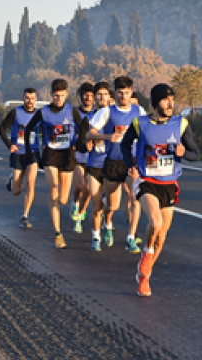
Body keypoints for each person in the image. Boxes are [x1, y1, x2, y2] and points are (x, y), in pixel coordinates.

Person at [122, 84, 200, 297]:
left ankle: (144, 275)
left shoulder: (181, 124)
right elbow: (125, 144)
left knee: (162, 236)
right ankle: (146, 255)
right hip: (146, 181)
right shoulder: (140, 123)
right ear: (156, 102)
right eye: (165, 100)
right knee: (155, 223)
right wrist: (129, 164)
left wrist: (184, 153)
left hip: (169, 184)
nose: (170, 104)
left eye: (172, 99)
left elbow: (196, 154)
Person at [22, 79, 89, 249]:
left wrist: (80, 142)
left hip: (67, 155)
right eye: (56, 96)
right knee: (53, 191)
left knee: (64, 199)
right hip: (51, 154)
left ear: (67, 94)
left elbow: (84, 126)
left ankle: (71, 205)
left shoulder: (72, 111)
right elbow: (29, 128)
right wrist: (30, 150)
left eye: (62, 96)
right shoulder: (44, 112)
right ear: (51, 95)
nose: (59, 99)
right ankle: (58, 234)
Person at [88, 76, 147, 254]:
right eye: (120, 93)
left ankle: (130, 237)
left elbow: (147, 133)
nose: (123, 96)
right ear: (115, 93)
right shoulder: (106, 112)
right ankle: (106, 223)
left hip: (132, 162)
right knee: (112, 206)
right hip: (113, 162)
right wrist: (108, 137)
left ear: (131, 92)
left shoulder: (139, 111)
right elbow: (90, 134)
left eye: (127, 93)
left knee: (135, 198)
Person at [0, 87, 41, 229]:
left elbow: (47, 131)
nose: (30, 101)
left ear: (36, 99)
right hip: (17, 153)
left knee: (31, 182)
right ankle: (12, 180)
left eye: (32, 98)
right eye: (27, 98)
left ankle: (25, 216)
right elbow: (2, 128)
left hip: (32, 153)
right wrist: (9, 144)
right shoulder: (16, 112)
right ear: (23, 98)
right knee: (16, 191)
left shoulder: (40, 114)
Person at [85, 81, 111, 251]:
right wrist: (87, 143)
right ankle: (96, 236)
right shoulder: (89, 118)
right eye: (98, 95)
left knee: (110, 204)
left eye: (105, 94)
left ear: (110, 96)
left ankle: (107, 225)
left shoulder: (114, 115)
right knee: (96, 204)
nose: (101, 97)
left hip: (111, 165)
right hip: (94, 164)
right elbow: (83, 139)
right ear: (95, 98)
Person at [70, 82, 96, 234]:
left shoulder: (97, 114)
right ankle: (74, 203)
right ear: (79, 97)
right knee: (79, 186)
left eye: (91, 96)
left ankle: (79, 217)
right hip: (76, 155)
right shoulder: (74, 113)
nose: (88, 98)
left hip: (92, 157)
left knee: (88, 189)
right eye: (85, 95)